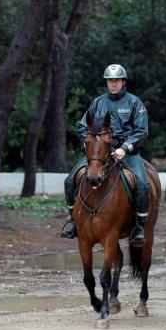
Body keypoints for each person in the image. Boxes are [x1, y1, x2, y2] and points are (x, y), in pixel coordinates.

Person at [60, 64, 150, 246]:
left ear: (123, 82)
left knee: (142, 185)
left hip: (127, 154)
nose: (113, 84)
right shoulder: (97, 103)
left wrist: (124, 148)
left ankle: (139, 226)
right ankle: (72, 220)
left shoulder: (134, 102)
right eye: (110, 81)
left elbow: (141, 130)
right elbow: (83, 126)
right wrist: (93, 144)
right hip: (99, 154)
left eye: (116, 80)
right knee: (70, 180)